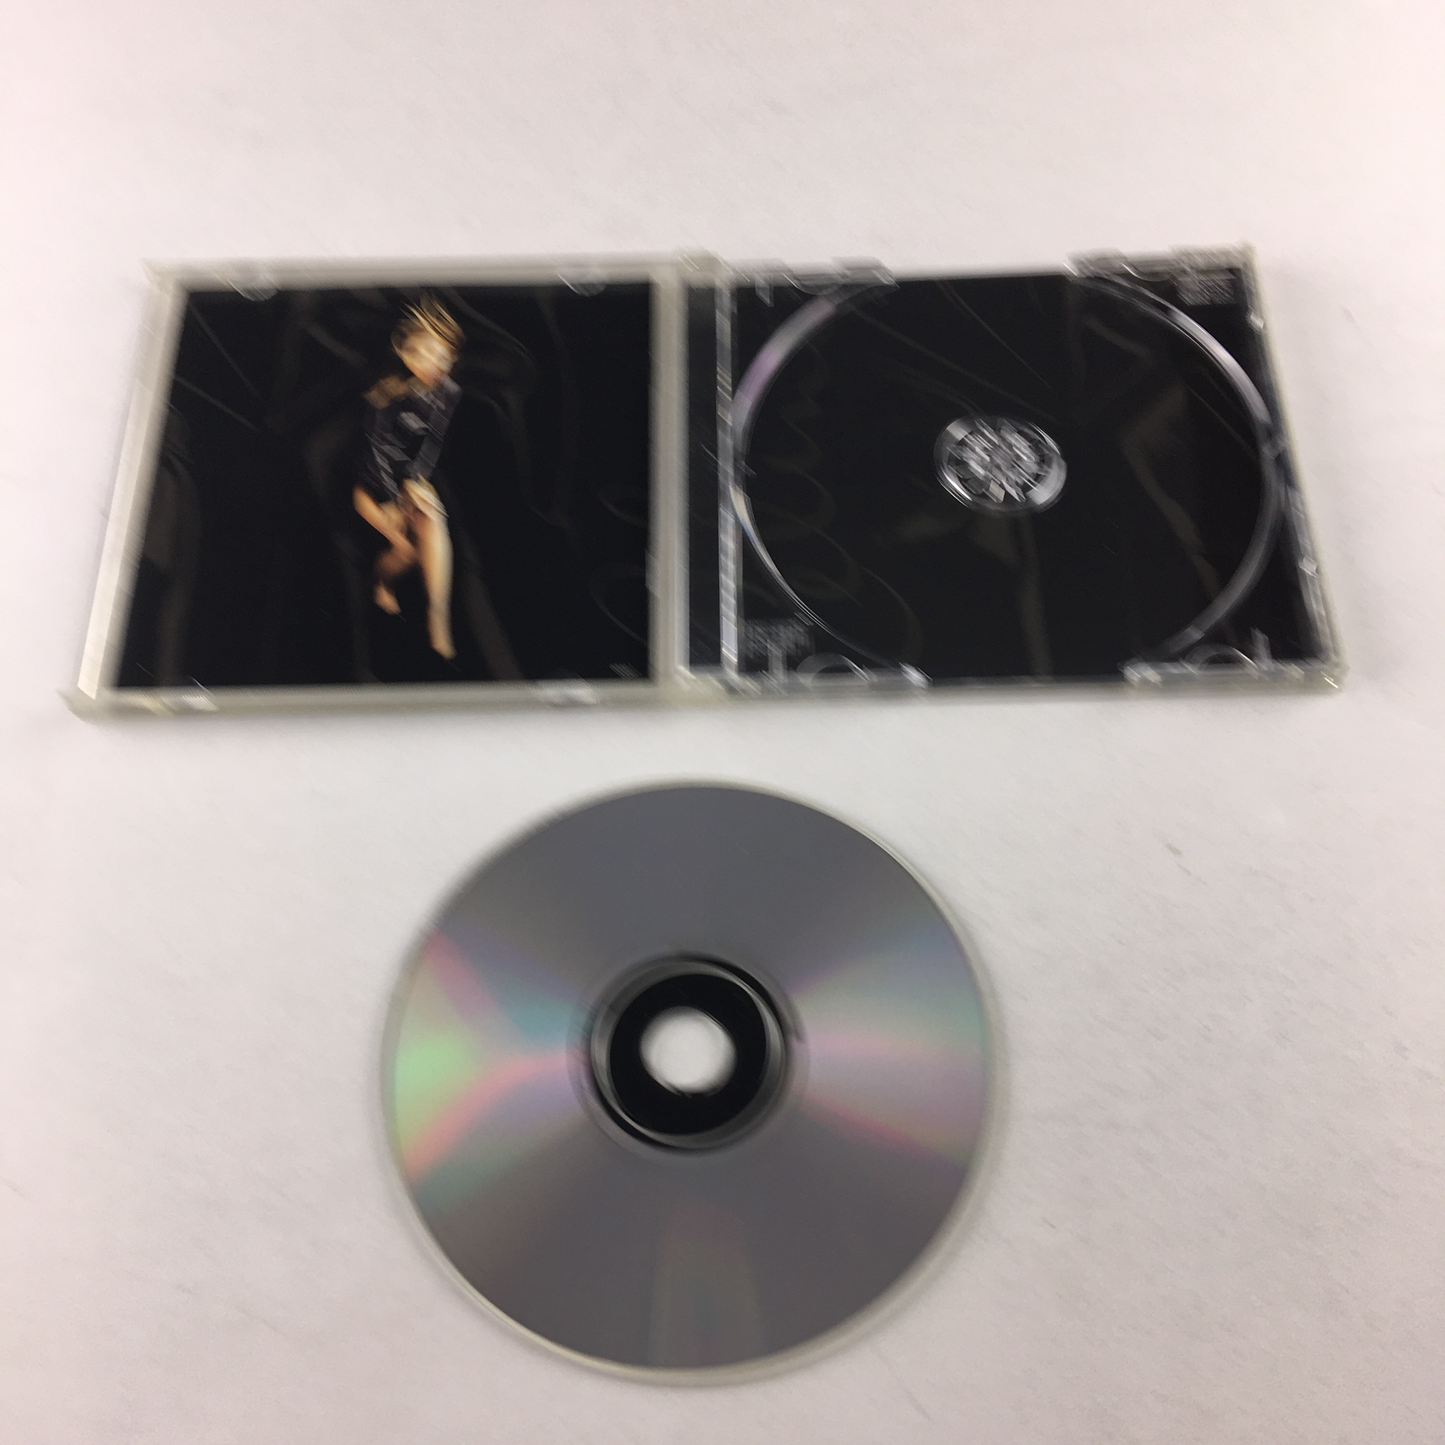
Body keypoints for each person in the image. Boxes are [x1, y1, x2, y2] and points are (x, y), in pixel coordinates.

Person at [353, 297, 464, 659]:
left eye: (442, 355)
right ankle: (381, 583)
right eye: (422, 353)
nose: (433, 364)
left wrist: (415, 485)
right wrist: (390, 500)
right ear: (404, 352)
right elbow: (375, 454)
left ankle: (437, 616)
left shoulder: (448, 392)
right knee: (406, 551)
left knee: (434, 518)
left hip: (409, 477)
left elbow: (432, 443)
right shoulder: (382, 396)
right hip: (372, 484)